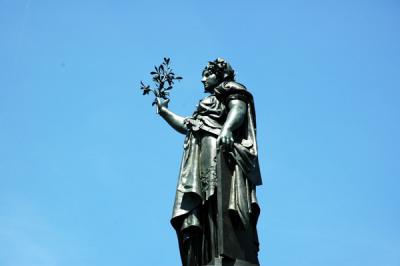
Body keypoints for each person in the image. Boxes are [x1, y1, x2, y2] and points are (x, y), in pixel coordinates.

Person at [156, 58, 262, 266]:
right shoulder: (206, 106)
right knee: (204, 205)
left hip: (218, 150)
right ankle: (208, 252)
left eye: (208, 74)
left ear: (220, 75)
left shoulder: (231, 88)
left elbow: (238, 110)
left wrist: (227, 129)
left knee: (217, 198)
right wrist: (164, 112)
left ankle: (224, 249)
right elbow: (187, 125)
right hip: (200, 156)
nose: (203, 79)